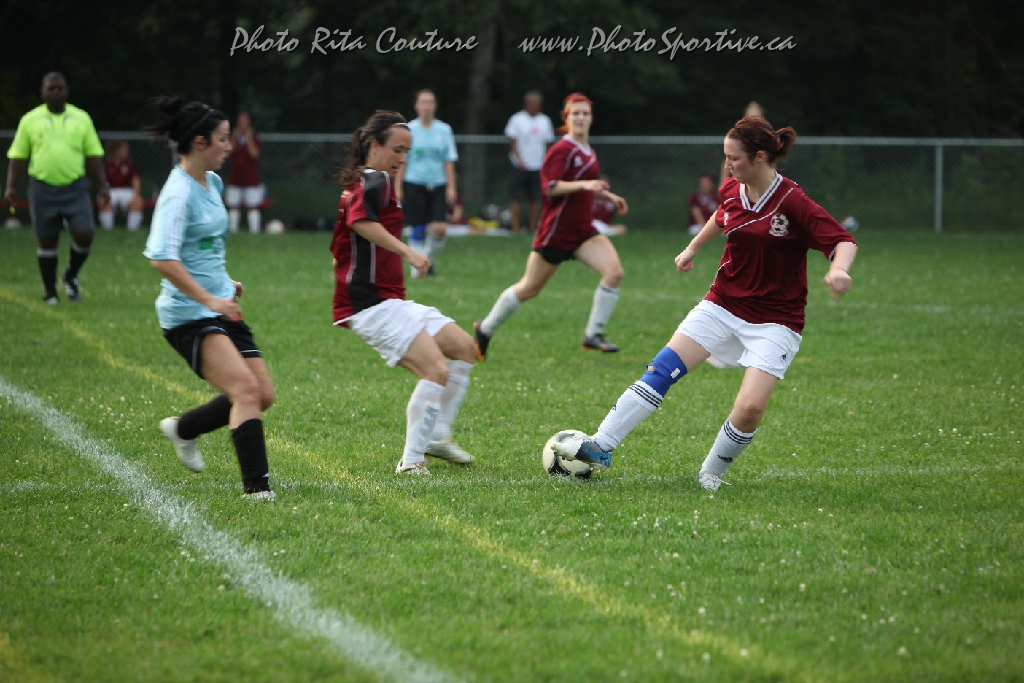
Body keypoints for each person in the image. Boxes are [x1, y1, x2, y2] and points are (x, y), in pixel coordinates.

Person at [553, 115, 858, 492]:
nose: (727, 164)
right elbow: (721, 215)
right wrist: (693, 247)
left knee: (750, 409)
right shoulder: (733, 187)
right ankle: (601, 445)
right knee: (662, 369)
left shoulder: (791, 200)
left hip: (777, 319)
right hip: (723, 304)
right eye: (725, 156)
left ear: (759, 157)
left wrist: (839, 270)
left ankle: (710, 474)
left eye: (734, 158)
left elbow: (843, 240)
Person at [143, 96, 276, 500]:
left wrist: (223, 284)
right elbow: (162, 259)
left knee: (262, 394)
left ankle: (183, 429)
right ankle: (258, 490)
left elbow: (204, 249)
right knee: (245, 390)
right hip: (188, 314)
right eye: (222, 139)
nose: (229, 146)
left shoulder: (212, 182)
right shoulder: (177, 194)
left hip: (219, 305)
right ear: (200, 142)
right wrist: (209, 298)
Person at [331, 110, 477, 475]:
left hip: (389, 299)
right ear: (374, 145)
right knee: (435, 369)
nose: (403, 159)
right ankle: (411, 462)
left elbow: (344, 239)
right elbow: (360, 223)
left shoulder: (368, 181)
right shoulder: (374, 180)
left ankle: (437, 435)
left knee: (463, 347)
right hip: (370, 304)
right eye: (397, 150)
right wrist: (409, 252)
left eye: (407, 151)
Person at [474, 93, 628, 358]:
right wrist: (584, 185)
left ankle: (593, 334)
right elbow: (550, 188)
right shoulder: (561, 150)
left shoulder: (588, 151)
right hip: (556, 232)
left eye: (585, 113)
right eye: (575, 113)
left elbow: (585, 189)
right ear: (566, 118)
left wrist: (608, 197)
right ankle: (485, 329)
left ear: (591, 118)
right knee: (529, 288)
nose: (580, 117)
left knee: (614, 273)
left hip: (583, 231)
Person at [5, 72, 109, 304]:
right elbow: (18, 156)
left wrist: (103, 185)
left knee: (85, 235)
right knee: (47, 239)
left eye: (60, 88)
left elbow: (94, 154)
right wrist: (10, 186)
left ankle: (70, 276)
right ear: (42, 92)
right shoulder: (30, 120)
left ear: (66, 91)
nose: (55, 92)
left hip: (76, 187)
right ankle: (50, 292)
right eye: (50, 88)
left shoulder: (81, 118)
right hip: (42, 187)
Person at [395, 89, 457, 274]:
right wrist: (398, 187)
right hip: (414, 182)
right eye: (423, 102)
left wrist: (451, 187)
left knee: (440, 228)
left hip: (438, 183)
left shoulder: (444, 130)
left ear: (435, 106)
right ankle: (417, 270)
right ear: (416, 106)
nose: (427, 106)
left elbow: (449, 161)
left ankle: (426, 259)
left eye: (430, 102)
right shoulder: (409, 129)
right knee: (418, 226)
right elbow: (402, 160)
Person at [505, 90, 555, 234]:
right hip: (519, 166)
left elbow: (547, 144)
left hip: (538, 166)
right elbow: (512, 142)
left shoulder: (545, 121)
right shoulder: (516, 119)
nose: (534, 106)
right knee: (516, 198)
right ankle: (515, 229)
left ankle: (533, 228)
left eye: (537, 103)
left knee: (535, 198)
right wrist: (519, 161)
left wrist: (546, 162)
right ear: (525, 104)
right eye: (531, 103)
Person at [225, 112, 263, 234]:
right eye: (240, 121)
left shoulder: (254, 138)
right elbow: (228, 152)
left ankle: (254, 232)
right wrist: (234, 137)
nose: (242, 124)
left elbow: (254, 154)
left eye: (244, 121)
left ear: (249, 122)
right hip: (235, 178)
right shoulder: (233, 138)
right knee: (233, 205)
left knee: (252, 206)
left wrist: (249, 138)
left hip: (250, 179)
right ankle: (233, 231)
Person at [98, 140, 144, 231]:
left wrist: (137, 195)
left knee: (137, 203)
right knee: (104, 202)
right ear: (116, 150)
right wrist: (103, 192)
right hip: (110, 190)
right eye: (123, 149)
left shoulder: (129, 163)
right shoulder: (106, 163)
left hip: (126, 190)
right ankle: (108, 231)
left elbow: (135, 179)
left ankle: (132, 231)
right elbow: (101, 180)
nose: (126, 151)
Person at [720, 101, 763, 187]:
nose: (754, 121)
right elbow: (727, 162)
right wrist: (723, 185)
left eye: (756, 117)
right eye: (751, 117)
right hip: (739, 185)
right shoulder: (737, 138)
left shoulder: (766, 139)